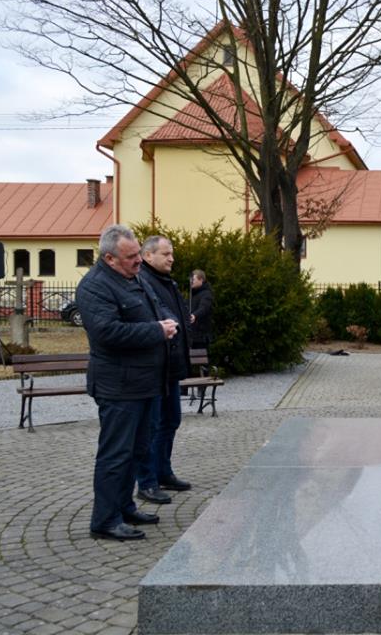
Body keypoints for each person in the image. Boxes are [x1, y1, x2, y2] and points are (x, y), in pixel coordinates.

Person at [76, 225, 178, 541]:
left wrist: (168, 321)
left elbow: (156, 308)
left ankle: (124, 507)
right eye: (131, 256)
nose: (138, 260)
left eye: (138, 254)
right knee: (116, 455)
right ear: (110, 258)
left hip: (145, 384)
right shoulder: (95, 286)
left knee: (137, 450)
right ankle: (105, 520)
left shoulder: (133, 277)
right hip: (119, 387)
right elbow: (107, 332)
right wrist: (157, 330)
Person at [136, 236, 193, 504]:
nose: (172, 258)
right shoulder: (143, 281)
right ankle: (147, 482)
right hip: (155, 367)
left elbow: (177, 315)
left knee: (170, 421)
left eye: (172, 253)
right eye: (166, 254)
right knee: (152, 426)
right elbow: (161, 314)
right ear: (148, 256)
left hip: (171, 366)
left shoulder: (167, 281)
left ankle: (163, 472)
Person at [189, 269, 214, 352]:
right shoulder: (193, 295)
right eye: (190, 280)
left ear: (201, 280)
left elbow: (204, 308)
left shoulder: (206, 294)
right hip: (192, 336)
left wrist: (194, 315)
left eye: (193, 279)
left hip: (201, 337)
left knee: (199, 358)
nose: (191, 282)